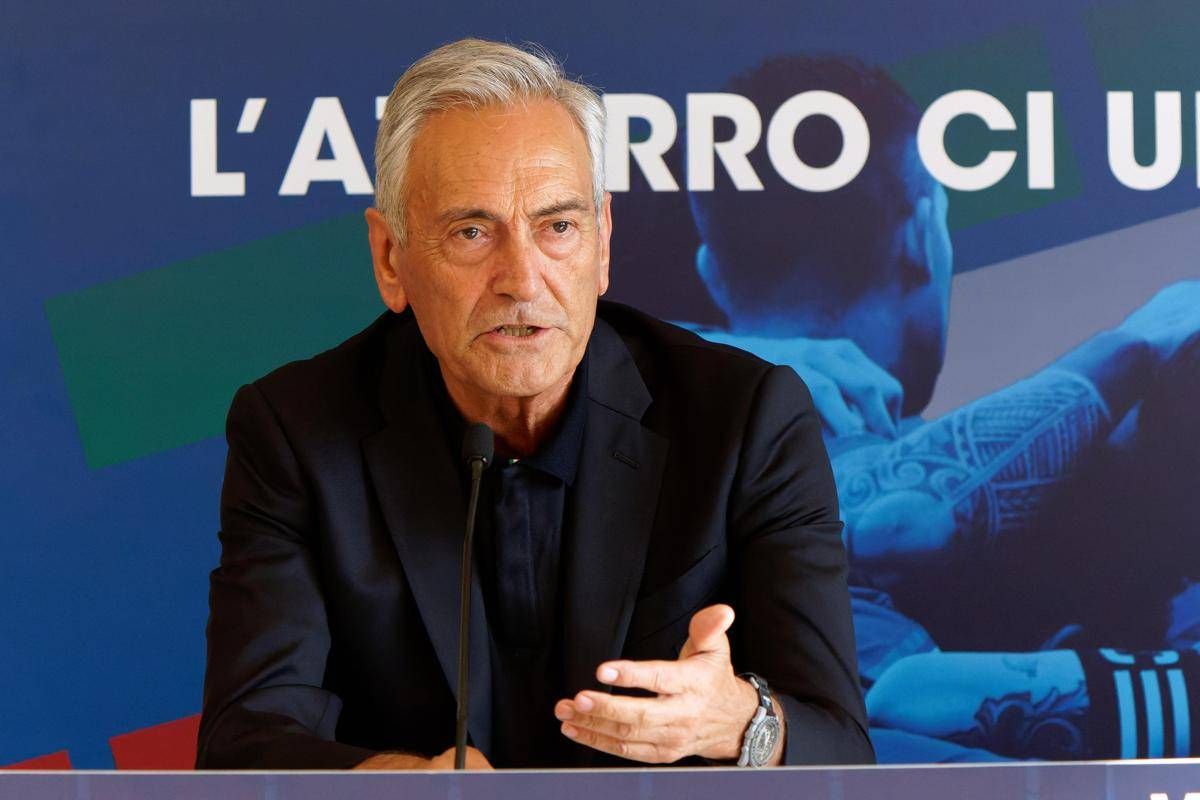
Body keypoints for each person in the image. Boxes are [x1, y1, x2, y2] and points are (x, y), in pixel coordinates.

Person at [196, 39, 873, 770]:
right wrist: (402, 784)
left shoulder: (746, 419)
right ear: (391, 259)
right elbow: (244, 745)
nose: (521, 279)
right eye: (471, 232)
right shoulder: (296, 432)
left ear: (602, 243)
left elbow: (842, 748)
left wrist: (740, 724)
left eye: (558, 227)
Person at [685, 54, 1200, 760]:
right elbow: (901, 526)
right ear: (920, 236)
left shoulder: (628, 432)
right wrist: (1138, 344)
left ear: (712, 271)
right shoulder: (732, 446)